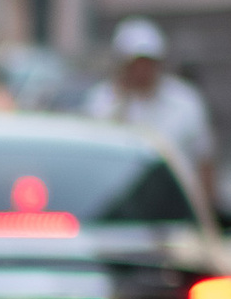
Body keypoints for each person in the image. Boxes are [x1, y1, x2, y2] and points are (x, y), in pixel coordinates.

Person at [88, 18, 217, 182]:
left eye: (148, 63)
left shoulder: (185, 101)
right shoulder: (102, 100)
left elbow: (204, 157)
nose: (142, 71)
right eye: (135, 63)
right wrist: (121, 99)